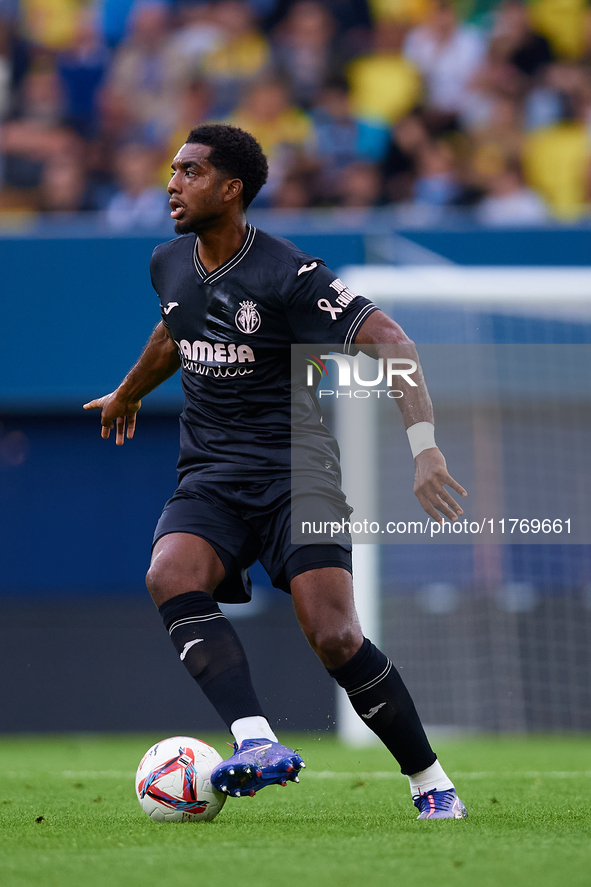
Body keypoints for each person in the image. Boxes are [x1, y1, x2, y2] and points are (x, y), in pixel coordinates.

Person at [84, 123, 468, 820]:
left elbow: (391, 340)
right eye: (172, 169)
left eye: (190, 172)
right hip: (209, 476)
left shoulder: (289, 274)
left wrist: (425, 446)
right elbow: (173, 329)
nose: (171, 183)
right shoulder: (167, 262)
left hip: (297, 476)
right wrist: (130, 388)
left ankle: (429, 781)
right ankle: (255, 740)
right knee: (169, 572)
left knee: (335, 636)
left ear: (231, 190)